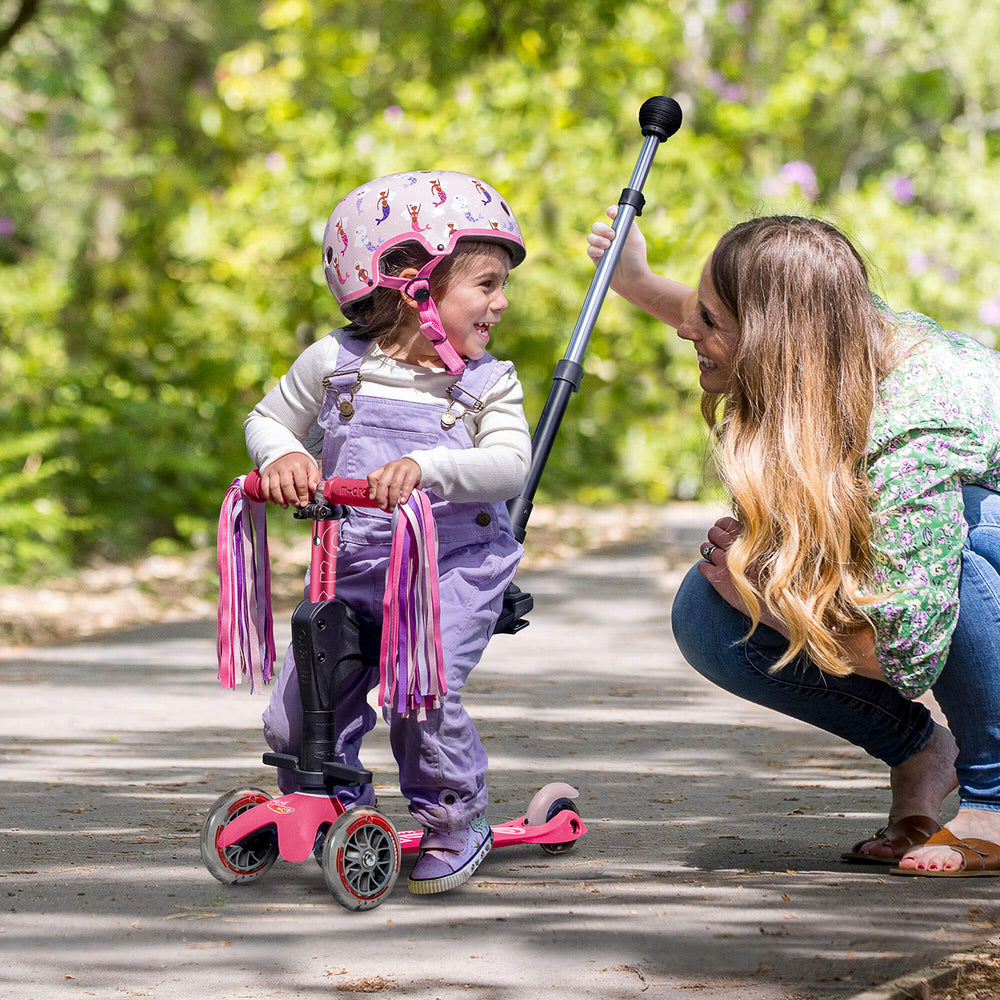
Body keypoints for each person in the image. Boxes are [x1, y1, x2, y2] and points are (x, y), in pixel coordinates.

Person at [587, 208, 1000, 877]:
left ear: (776, 346)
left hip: (980, 548)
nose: (689, 329)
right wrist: (633, 279)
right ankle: (923, 752)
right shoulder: (830, 334)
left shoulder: (914, 429)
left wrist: (777, 606)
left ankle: (994, 800)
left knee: (969, 528)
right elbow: (743, 313)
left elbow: (913, 651)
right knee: (710, 606)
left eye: (709, 322)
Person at [245, 171, 531, 894]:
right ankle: (346, 809)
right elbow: (269, 417)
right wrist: (282, 454)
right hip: (350, 563)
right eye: (486, 284)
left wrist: (430, 466)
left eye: (501, 287)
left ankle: (452, 820)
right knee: (301, 700)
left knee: (419, 691)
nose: (500, 303)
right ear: (412, 280)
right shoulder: (336, 366)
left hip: (450, 565)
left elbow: (509, 464)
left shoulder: (487, 383)